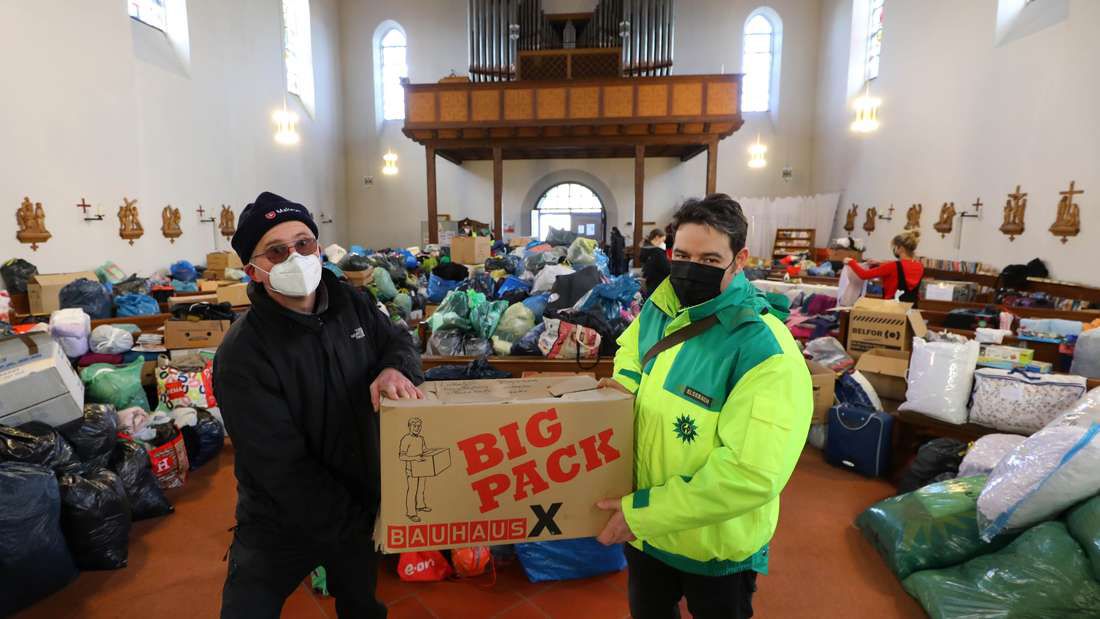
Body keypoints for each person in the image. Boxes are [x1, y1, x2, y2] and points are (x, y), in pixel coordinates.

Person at [595, 194, 813, 619]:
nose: (691, 269)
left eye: (710, 260)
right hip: (648, 535)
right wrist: (624, 394)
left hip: (713, 548)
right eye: (682, 255)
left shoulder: (765, 351)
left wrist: (642, 513)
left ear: (740, 259)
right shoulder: (663, 305)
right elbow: (630, 353)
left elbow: (749, 475)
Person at [214, 191, 425, 619]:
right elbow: (279, 464)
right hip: (280, 517)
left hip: (359, 497)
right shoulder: (243, 354)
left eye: (303, 243)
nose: (295, 257)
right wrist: (354, 521)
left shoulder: (354, 303)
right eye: (276, 251)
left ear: (318, 246)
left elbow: (399, 341)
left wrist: (395, 370)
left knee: (362, 607)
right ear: (252, 270)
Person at [843, 229, 924, 303]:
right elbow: (903, 267)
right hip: (911, 309)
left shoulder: (893, 266)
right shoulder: (920, 266)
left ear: (901, 248)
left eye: (895, 247)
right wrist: (879, 263)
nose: (894, 249)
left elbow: (864, 275)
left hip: (892, 309)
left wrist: (851, 262)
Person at [399, 417, 429, 522]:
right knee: (412, 490)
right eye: (415, 426)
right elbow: (401, 456)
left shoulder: (421, 438)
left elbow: (425, 451)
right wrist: (415, 458)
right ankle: (411, 513)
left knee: (421, 489)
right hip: (411, 469)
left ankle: (420, 505)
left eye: (419, 426)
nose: (417, 428)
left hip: (422, 468)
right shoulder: (406, 439)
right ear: (409, 427)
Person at [638, 228, 671, 297]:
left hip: (649, 281)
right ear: (657, 237)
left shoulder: (645, 249)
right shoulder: (657, 252)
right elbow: (667, 269)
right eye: (662, 240)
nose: (663, 243)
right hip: (658, 284)